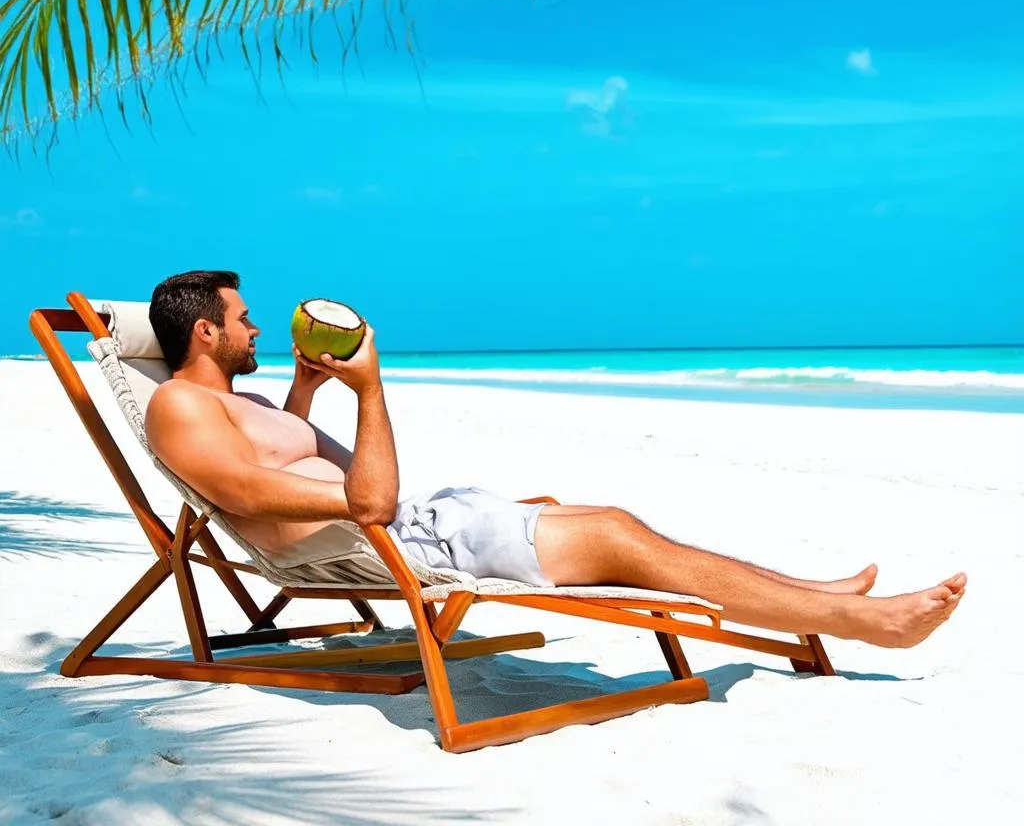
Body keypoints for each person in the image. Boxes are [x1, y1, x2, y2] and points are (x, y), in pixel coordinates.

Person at [145, 270, 965, 649]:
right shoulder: (180, 407)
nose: (257, 329)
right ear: (205, 333)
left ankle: (800, 592)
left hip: (425, 520)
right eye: (244, 319)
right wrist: (370, 387)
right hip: (400, 541)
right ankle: (858, 622)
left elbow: (284, 465)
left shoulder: (237, 406)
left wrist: (306, 393)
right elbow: (360, 501)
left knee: (620, 526)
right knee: (615, 535)